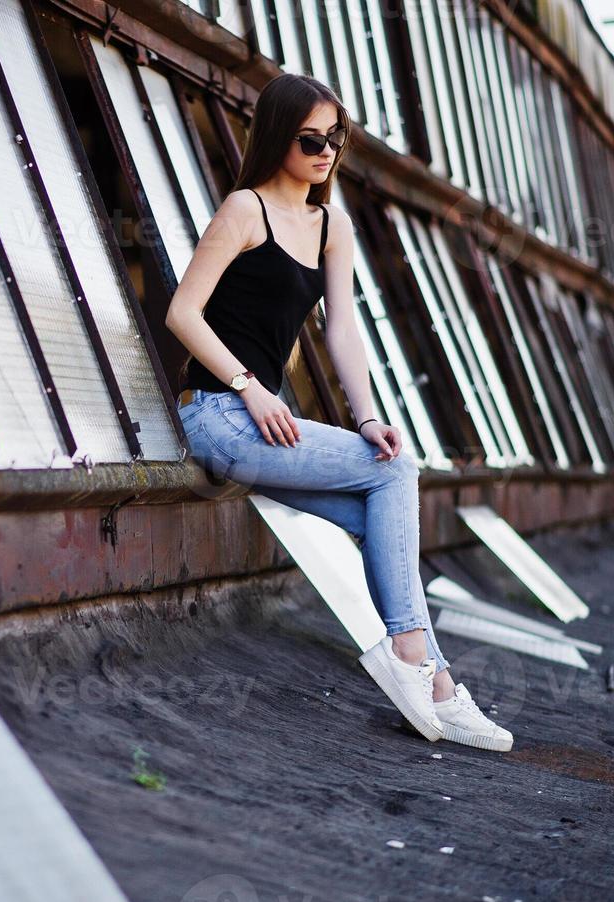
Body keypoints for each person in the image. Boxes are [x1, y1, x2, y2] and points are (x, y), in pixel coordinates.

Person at [164, 73, 511, 753]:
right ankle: (416, 665)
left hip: (260, 430)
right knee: (394, 476)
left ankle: (435, 684)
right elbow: (182, 311)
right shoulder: (244, 209)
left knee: (385, 520)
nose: (326, 150)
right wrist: (247, 385)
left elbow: (342, 331)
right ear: (277, 137)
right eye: (310, 138)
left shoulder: (331, 226)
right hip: (217, 415)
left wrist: (365, 418)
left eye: (336, 137)